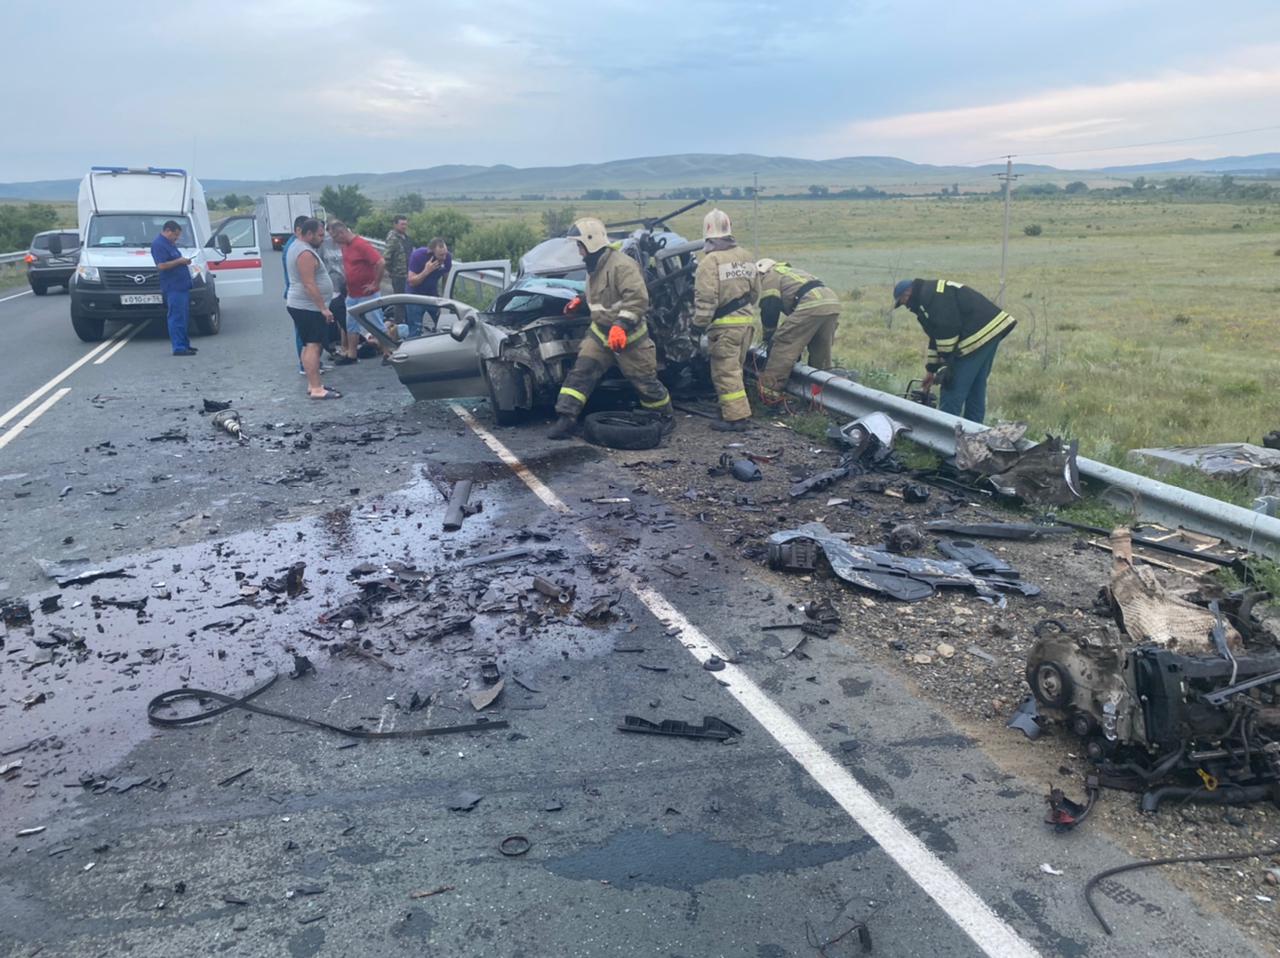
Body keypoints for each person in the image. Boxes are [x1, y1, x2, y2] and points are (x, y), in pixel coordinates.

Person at [547, 217, 673, 440]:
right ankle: (566, 418)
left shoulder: (622, 265)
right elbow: (601, 296)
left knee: (645, 381)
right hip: (600, 334)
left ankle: (663, 416)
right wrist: (581, 301)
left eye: (580, 246)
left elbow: (637, 300)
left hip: (631, 337)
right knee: (581, 373)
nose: (579, 251)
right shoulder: (594, 266)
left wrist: (621, 326)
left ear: (591, 242)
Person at [892, 278, 1016, 424]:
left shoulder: (931, 297)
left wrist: (946, 365)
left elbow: (947, 329)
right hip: (991, 331)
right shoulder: (930, 293)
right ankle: (974, 433)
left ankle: (945, 436)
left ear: (909, 292)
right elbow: (936, 336)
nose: (906, 306)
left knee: (952, 386)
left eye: (903, 300)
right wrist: (931, 371)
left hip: (977, 334)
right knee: (976, 388)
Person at [691, 209, 758, 432]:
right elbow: (756, 291)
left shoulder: (710, 261)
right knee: (735, 369)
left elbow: (706, 298)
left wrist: (698, 324)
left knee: (725, 372)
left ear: (707, 235)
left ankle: (736, 419)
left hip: (724, 328)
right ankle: (730, 410)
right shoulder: (746, 256)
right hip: (746, 324)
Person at [755, 259, 841, 401]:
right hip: (831, 302)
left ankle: (769, 395)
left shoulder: (770, 277)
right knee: (821, 355)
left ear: (761, 272)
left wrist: (769, 335)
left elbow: (770, 307)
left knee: (782, 345)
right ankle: (819, 398)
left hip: (811, 304)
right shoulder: (790, 271)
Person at [285, 218, 340, 400]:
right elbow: (309, 283)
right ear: (308, 234)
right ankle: (317, 388)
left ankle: (313, 383)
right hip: (308, 307)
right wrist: (323, 308)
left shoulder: (298, 246)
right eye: (319, 235)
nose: (322, 238)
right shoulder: (305, 253)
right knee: (313, 345)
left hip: (303, 305)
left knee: (309, 344)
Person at [329, 220, 387, 362]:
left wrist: (375, 283)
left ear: (342, 233)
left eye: (335, 237)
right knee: (351, 324)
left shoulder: (361, 245)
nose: (334, 241)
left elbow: (380, 262)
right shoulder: (345, 246)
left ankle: (388, 352)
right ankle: (352, 354)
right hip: (353, 293)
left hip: (368, 294)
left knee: (376, 324)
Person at [150, 220, 196, 356]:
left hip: (181, 285)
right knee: (176, 317)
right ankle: (179, 347)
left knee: (183, 317)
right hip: (173, 286)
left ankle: (185, 344)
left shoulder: (169, 244)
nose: (176, 238)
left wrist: (184, 261)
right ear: (168, 231)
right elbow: (161, 265)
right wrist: (180, 261)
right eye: (175, 235)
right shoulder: (159, 244)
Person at [406, 237, 452, 334]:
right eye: (440, 255)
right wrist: (426, 271)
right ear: (432, 252)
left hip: (432, 295)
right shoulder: (418, 256)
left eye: (445, 254)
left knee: (444, 325)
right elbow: (411, 281)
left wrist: (446, 298)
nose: (444, 257)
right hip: (414, 296)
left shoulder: (447, 258)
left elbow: (446, 279)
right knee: (415, 329)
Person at [384, 215, 412, 324]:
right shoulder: (393, 238)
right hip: (398, 275)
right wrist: (390, 271)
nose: (404, 226)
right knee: (399, 302)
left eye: (405, 224)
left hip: (408, 274)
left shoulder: (406, 237)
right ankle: (399, 325)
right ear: (395, 224)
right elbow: (386, 257)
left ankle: (407, 323)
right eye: (402, 224)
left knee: (408, 300)